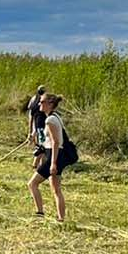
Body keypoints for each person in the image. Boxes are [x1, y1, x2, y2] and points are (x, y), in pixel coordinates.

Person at [28, 93, 76, 221]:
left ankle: (40, 213)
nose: (39, 104)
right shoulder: (56, 117)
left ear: (50, 104)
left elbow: (55, 142)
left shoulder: (50, 120)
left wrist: (53, 163)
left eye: (42, 102)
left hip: (54, 156)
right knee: (56, 189)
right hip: (57, 155)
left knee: (32, 184)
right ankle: (61, 219)